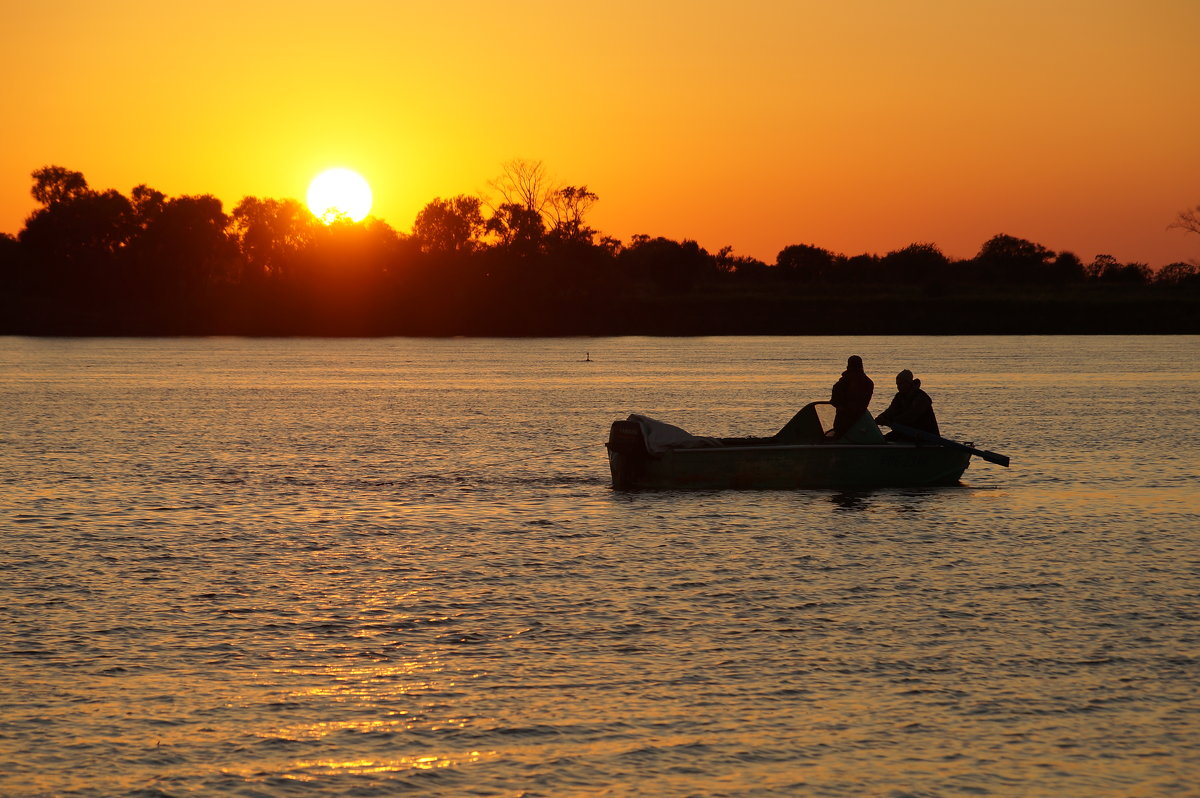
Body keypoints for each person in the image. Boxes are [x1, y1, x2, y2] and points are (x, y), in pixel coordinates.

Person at [875, 369, 939, 440]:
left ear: (908, 383)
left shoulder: (921, 398)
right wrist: (881, 417)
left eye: (901, 384)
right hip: (907, 431)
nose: (898, 387)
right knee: (883, 439)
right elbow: (891, 410)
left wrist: (889, 421)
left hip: (925, 435)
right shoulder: (899, 396)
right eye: (897, 384)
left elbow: (910, 416)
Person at [829, 355, 874, 439]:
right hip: (861, 419)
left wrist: (840, 405)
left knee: (839, 438)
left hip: (844, 419)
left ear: (848, 366)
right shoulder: (869, 382)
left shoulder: (845, 380)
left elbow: (835, 399)